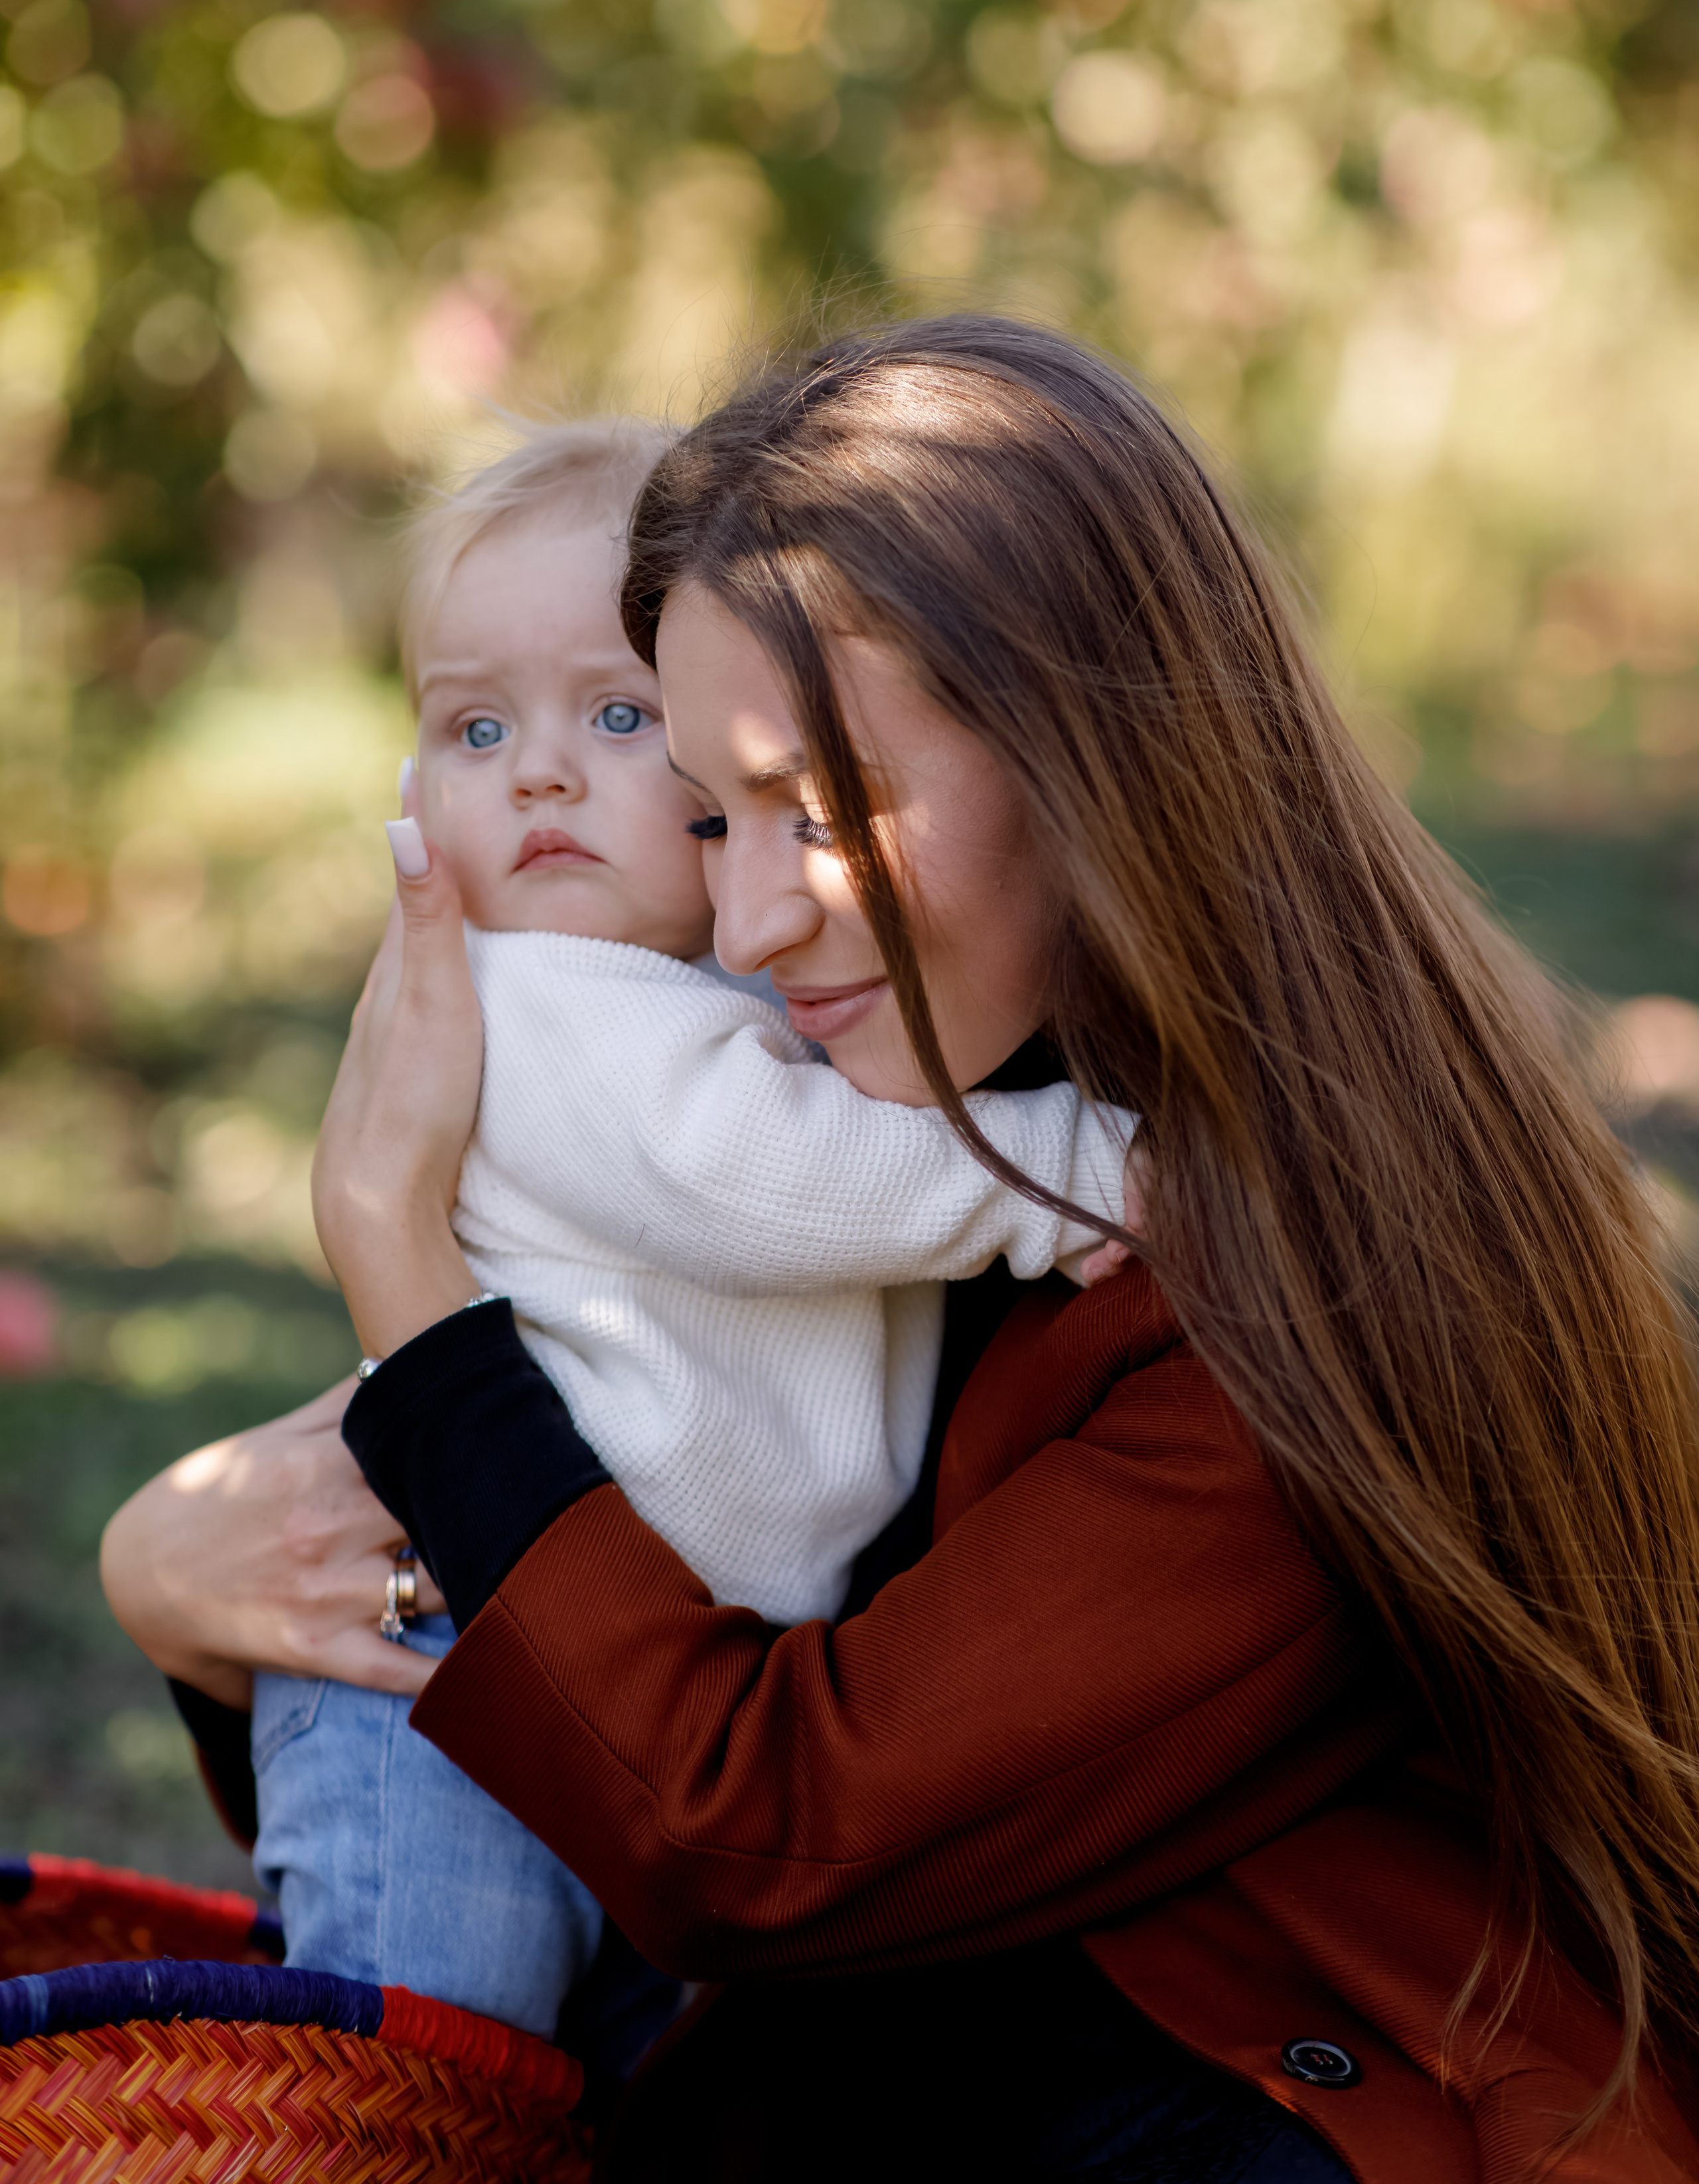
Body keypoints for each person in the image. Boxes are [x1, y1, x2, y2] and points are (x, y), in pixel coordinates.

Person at [105, 318, 1699, 2183]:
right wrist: (182, 1583)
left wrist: (399, 1264)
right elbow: (617, 1506)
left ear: (1092, 754)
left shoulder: (1283, 1273)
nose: (754, 915)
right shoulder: (940, 1108)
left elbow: (749, 1835)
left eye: (824, 807)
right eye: (713, 812)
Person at [246, 410, 1130, 2039]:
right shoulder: (542, 1007)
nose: (542, 772)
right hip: (457, 1670)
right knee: (433, 2064)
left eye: (613, 713)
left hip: (631, 1662)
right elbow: (765, 1172)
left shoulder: (721, 983)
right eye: (474, 730)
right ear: (411, 787)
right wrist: (1070, 1171)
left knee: (584, 2075)